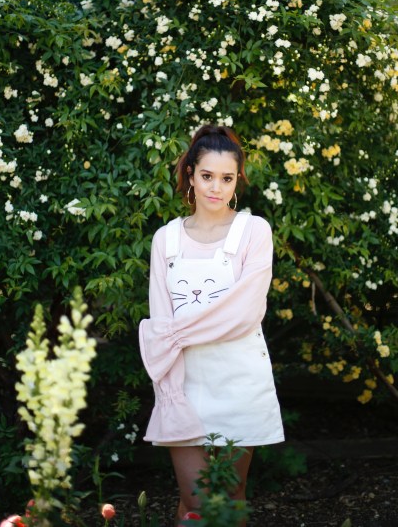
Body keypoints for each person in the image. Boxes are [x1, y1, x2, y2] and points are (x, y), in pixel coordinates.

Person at [139, 124, 285, 526]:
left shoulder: (254, 231)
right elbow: (161, 322)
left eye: (226, 178)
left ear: (237, 180)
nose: (216, 188)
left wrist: (177, 333)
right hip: (183, 385)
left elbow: (244, 313)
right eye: (207, 176)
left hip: (240, 382)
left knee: (229, 497)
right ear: (191, 175)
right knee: (195, 500)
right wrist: (168, 385)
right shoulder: (165, 239)